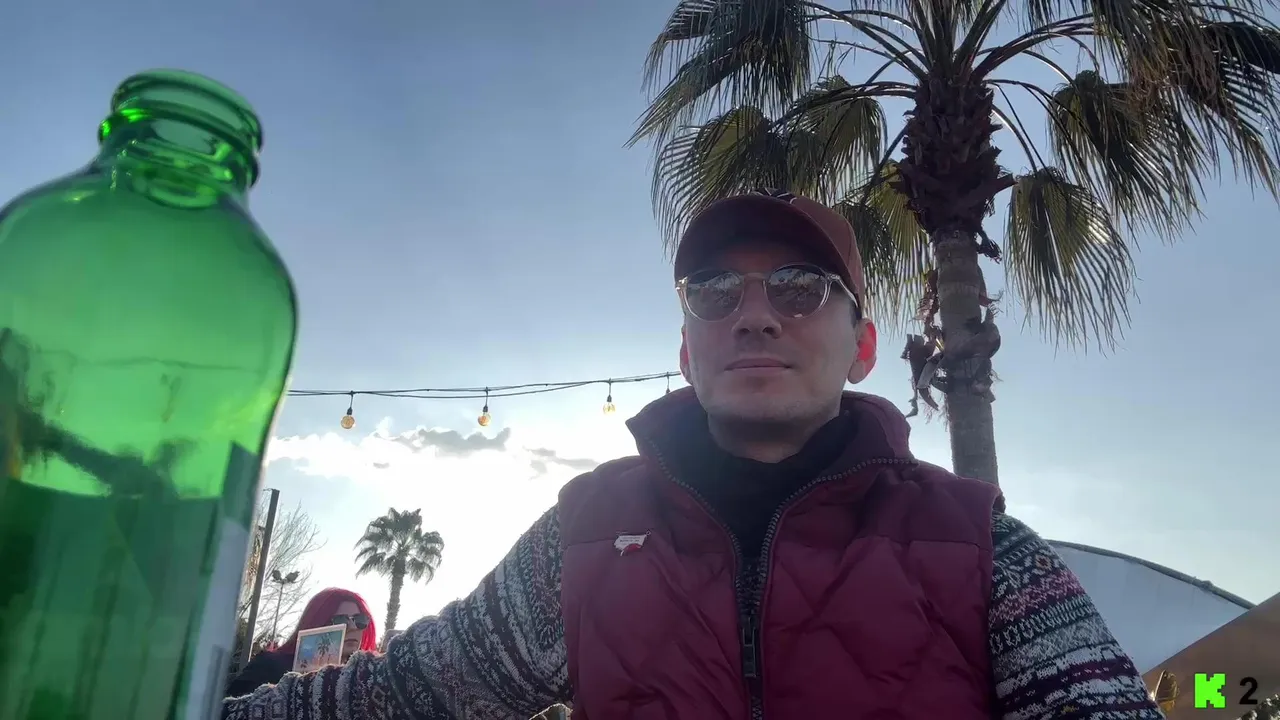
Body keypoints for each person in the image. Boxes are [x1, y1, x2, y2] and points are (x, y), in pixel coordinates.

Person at [223, 189, 1162, 719]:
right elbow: (404, 696)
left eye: (798, 287)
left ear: (864, 347)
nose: (753, 314)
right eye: (714, 293)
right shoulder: (587, 534)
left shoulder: (976, 546)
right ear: (686, 350)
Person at [225, 587, 378, 698]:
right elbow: (231, 710)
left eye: (360, 620)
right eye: (341, 620)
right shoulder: (271, 664)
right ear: (317, 623)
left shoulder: (362, 681)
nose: (353, 627)